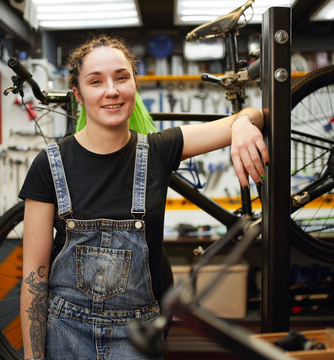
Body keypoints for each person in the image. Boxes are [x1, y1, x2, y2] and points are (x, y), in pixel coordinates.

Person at [19, 34, 269, 360]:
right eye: (96, 81)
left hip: (137, 337)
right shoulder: (49, 164)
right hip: (66, 333)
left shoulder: (157, 151)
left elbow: (256, 113)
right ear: (78, 94)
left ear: (135, 85)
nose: (112, 90)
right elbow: (33, 279)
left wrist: (246, 123)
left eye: (121, 77)